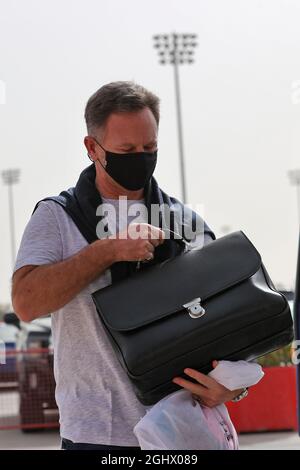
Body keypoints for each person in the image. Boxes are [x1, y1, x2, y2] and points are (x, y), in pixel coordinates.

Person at [11, 81, 245, 450]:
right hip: (96, 435)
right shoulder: (57, 217)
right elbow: (26, 303)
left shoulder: (184, 221)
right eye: (126, 149)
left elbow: (227, 319)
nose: (140, 157)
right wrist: (106, 251)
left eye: (149, 147)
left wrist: (234, 385)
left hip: (183, 430)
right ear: (92, 148)